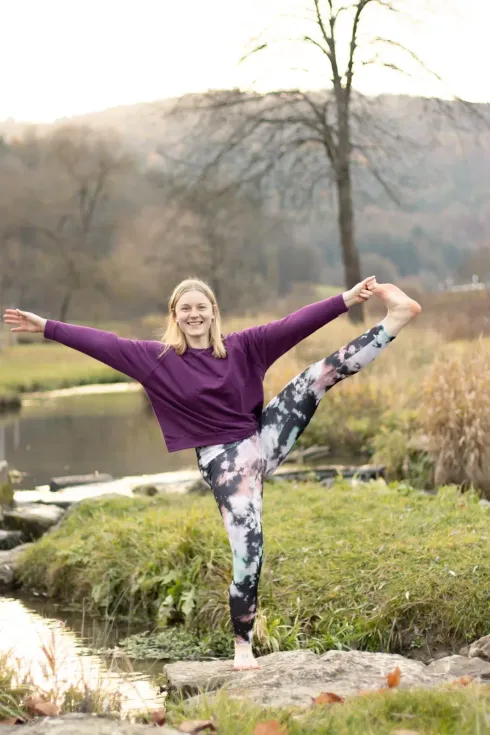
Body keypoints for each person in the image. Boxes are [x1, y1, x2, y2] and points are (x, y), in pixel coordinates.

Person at [3, 277, 421, 670]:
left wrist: (347, 299)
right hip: (224, 462)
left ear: (213, 311)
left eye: (201, 307)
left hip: (262, 438)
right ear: (175, 315)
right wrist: (47, 327)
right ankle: (243, 645)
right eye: (185, 308)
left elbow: (294, 325)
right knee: (249, 549)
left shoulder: (245, 346)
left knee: (318, 375)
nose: (194, 314)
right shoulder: (157, 360)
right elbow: (104, 344)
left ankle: (395, 321)